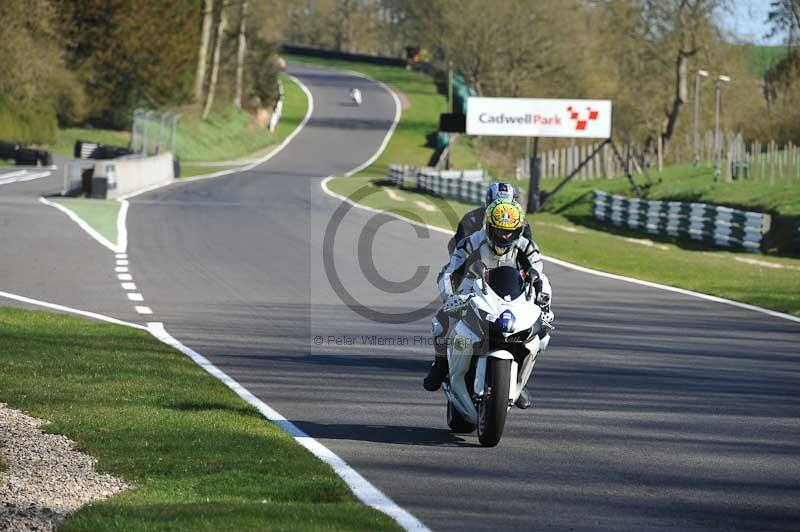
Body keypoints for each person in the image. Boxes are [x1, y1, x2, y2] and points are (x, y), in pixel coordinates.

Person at [424, 198, 554, 409]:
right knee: (442, 320)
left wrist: (544, 302)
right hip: (472, 289)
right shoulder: (471, 242)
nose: (505, 236)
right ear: (489, 227)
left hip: (513, 294)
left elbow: (540, 276)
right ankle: (440, 365)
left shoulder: (526, 246)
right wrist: (450, 297)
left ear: (519, 230)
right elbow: (449, 272)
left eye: (510, 231)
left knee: (542, 333)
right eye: (500, 230)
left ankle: (519, 380)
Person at [447, 182, 531, 254]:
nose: (502, 210)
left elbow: (527, 249)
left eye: (507, 204)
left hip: (509, 264)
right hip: (477, 263)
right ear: (489, 201)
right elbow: (458, 245)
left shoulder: (522, 223)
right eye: (496, 204)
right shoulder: (471, 219)